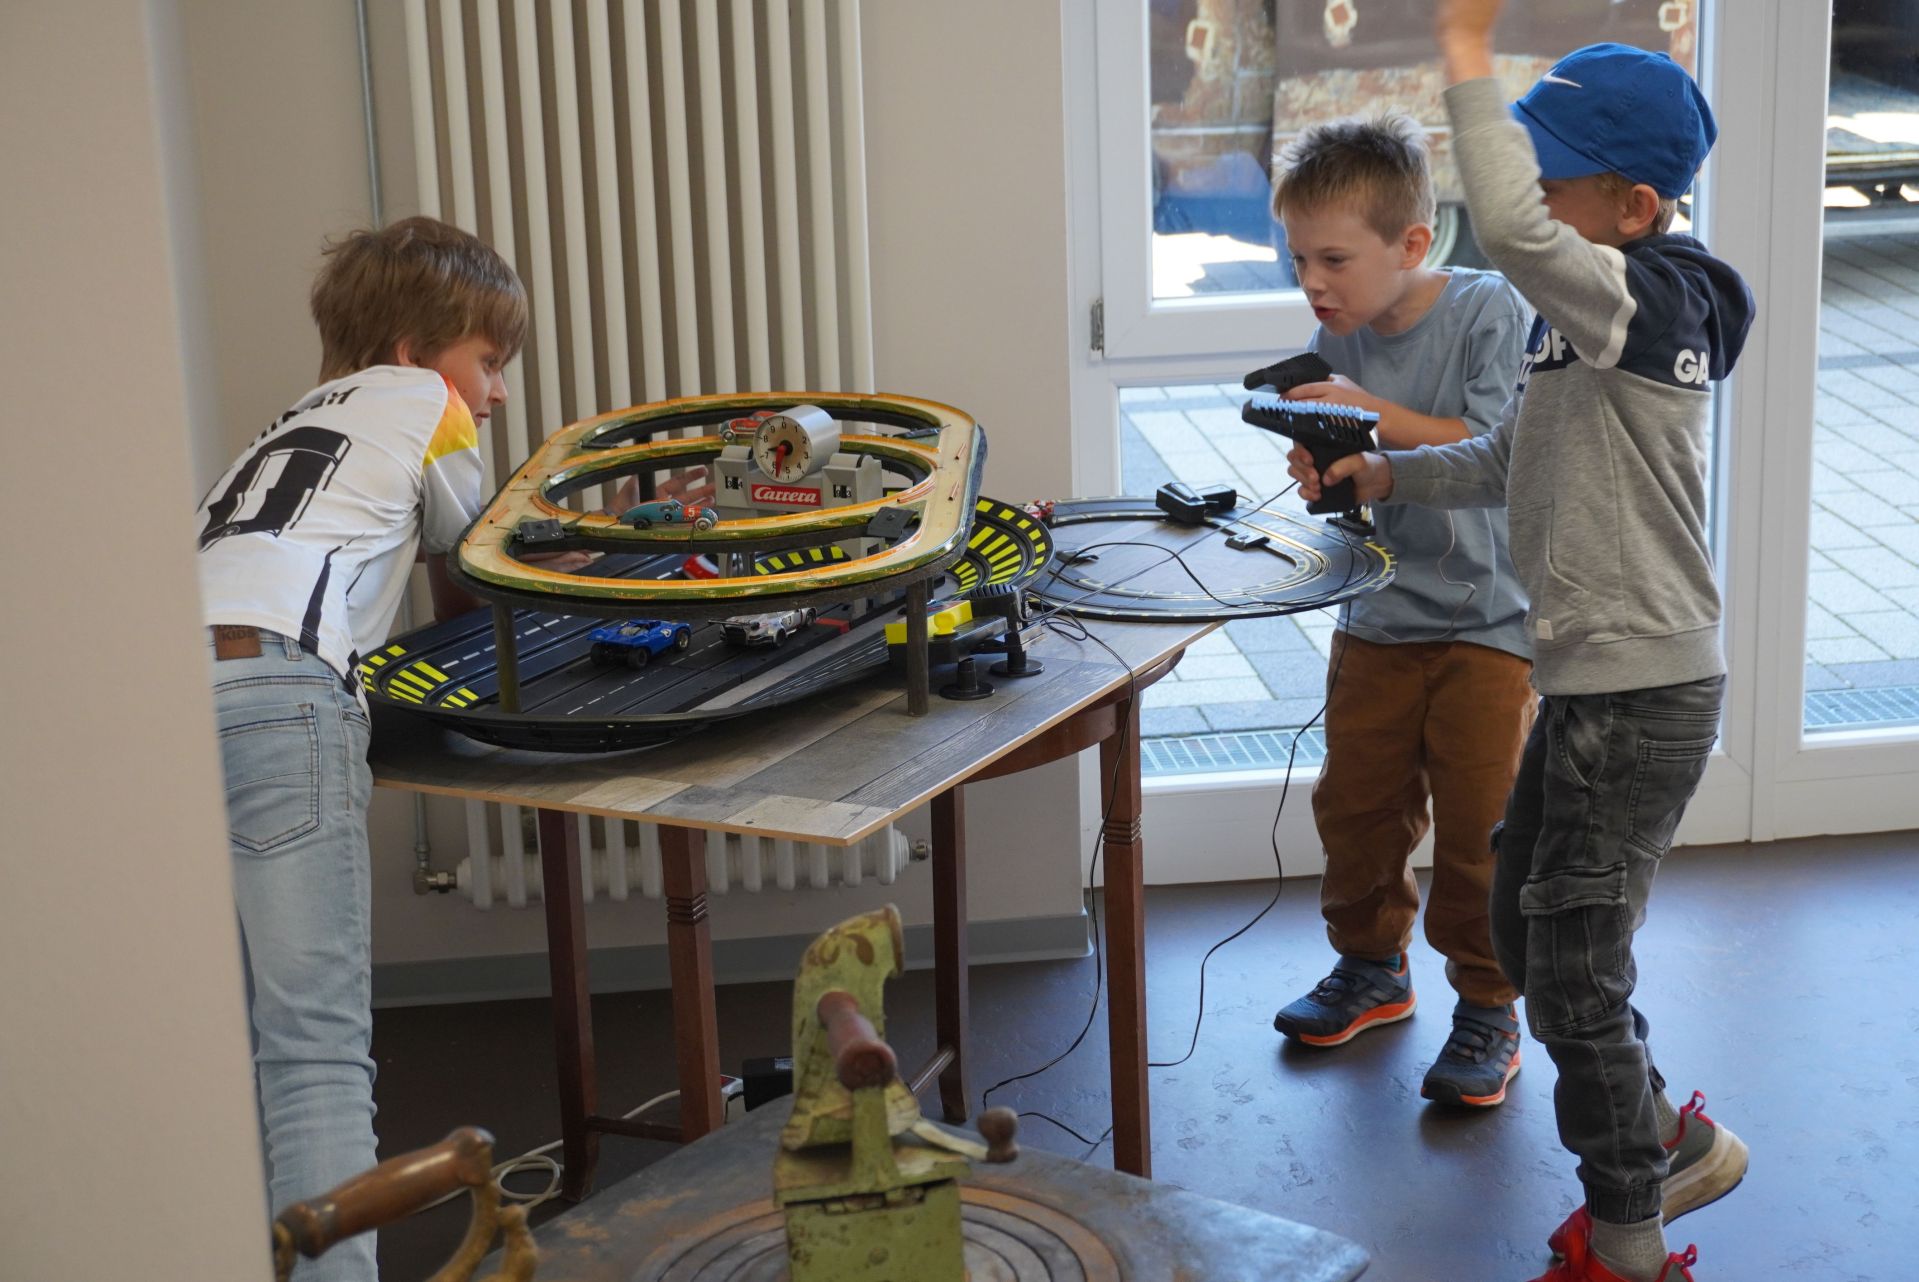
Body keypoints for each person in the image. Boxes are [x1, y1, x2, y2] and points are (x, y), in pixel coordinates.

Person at [1289, 6, 1757, 1278]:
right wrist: (1379, 477)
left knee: (1575, 969)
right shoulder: (1583, 324)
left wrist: (1461, 54)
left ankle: (1623, 1234)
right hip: (1597, 687)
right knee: (1528, 918)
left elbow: (1502, 229)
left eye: (1556, 186)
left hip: (1643, 691)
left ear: (1631, 203)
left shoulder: (1653, 301)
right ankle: (1669, 1138)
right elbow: (1506, 459)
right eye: (1537, 182)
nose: (1535, 210)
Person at [196, 215, 540, 1280]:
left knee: (236, 1031)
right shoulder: (423, 406)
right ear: (411, 347)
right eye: (485, 362)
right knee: (314, 1052)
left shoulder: (286, 426)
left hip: (173, 697)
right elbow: (477, 572)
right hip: (283, 691)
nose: (489, 393)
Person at [1263, 114, 1538, 1111]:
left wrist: (1363, 415)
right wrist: (1317, 460)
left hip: (1486, 626)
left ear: (1411, 244)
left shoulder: (1486, 311)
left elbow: (1487, 444)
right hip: (1376, 611)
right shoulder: (1332, 337)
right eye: (1298, 257)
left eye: (1332, 257)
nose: (1312, 281)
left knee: (1479, 828)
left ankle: (1487, 1002)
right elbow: (1344, 447)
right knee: (1357, 808)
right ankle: (1370, 968)